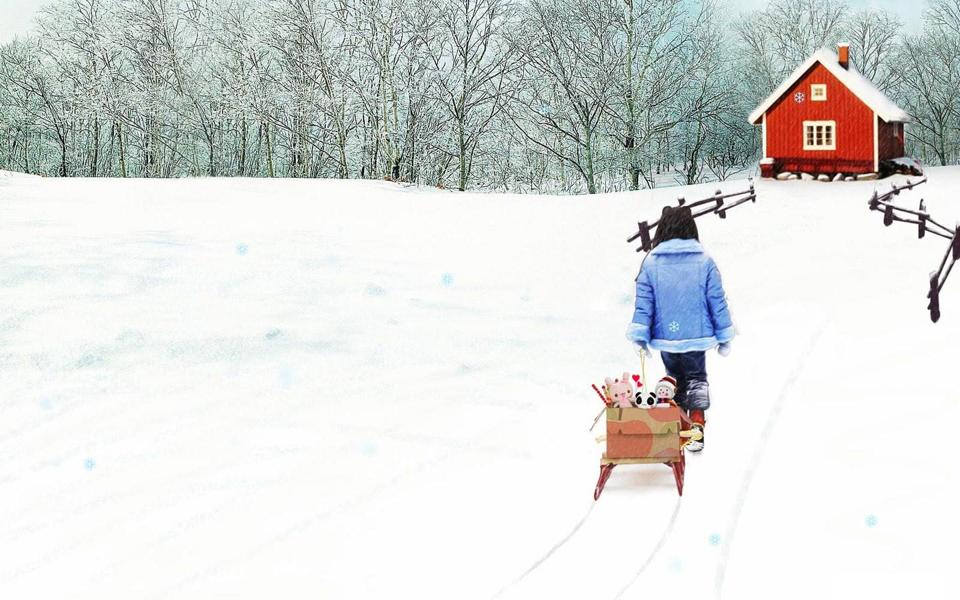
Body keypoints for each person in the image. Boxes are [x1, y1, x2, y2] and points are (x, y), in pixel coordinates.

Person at [626, 206, 735, 452]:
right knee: (696, 378)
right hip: (696, 337)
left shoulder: (651, 263)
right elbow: (717, 301)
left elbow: (644, 303)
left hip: (667, 336)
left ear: (662, 230)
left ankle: (675, 427)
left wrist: (640, 335)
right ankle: (695, 427)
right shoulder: (705, 261)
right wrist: (724, 334)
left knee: (672, 379)